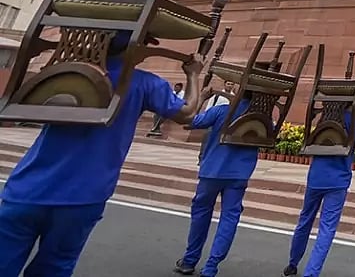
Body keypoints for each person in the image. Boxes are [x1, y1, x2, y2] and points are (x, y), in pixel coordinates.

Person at [0, 30, 205, 276]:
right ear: (136, 47)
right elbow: (188, 114)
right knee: (54, 268)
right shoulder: (143, 83)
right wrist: (193, 75)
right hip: (83, 196)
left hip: (27, 188)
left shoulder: (69, 72)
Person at [173, 88, 262, 276]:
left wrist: (203, 98)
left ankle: (189, 260)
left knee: (201, 215)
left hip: (212, 171)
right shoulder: (261, 119)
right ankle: (211, 266)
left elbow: (191, 122)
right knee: (229, 218)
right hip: (239, 175)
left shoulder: (222, 110)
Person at [282, 107, 355, 277]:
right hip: (337, 180)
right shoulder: (351, 119)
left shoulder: (326, 116)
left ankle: (292, 263)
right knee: (326, 229)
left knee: (305, 221)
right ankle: (311, 273)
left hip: (316, 177)